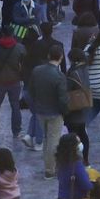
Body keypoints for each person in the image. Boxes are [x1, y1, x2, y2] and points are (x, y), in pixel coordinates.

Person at [27, 46, 68, 177]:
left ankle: (48, 164)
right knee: (53, 141)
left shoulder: (37, 70)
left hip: (40, 111)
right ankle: (50, 169)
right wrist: (65, 112)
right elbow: (62, 99)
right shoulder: (59, 76)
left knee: (46, 139)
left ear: (49, 56)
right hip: (54, 112)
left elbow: (31, 91)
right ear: (61, 58)